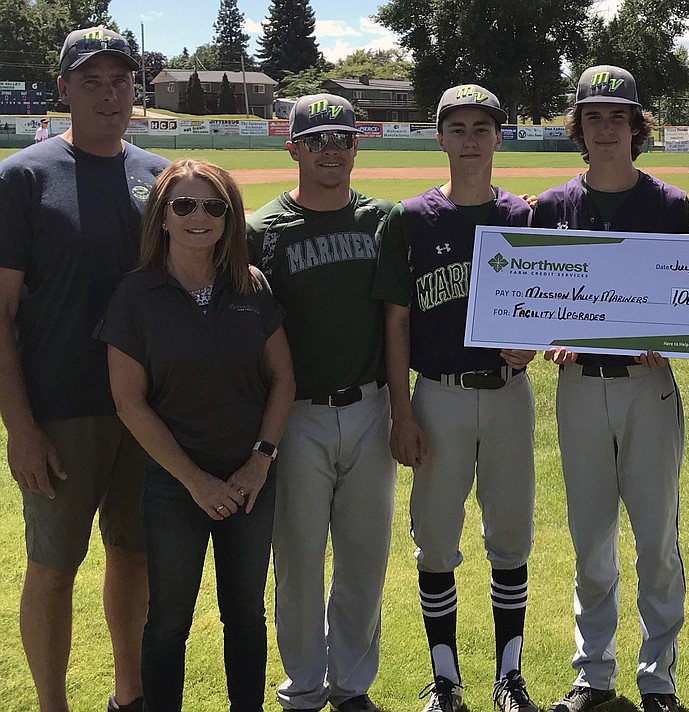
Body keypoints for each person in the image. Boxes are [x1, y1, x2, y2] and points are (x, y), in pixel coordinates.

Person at [0, 26, 169, 712]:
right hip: (60, 410)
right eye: (91, 81)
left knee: (134, 557)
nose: (109, 94)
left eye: (121, 81)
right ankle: (51, 705)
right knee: (52, 567)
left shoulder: (160, 177)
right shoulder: (23, 176)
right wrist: (20, 427)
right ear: (62, 89)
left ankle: (129, 696)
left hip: (149, 412)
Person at [97, 159, 295, 710]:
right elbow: (128, 402)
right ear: (161, 216)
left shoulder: (250, 284)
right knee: (167, 621)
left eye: (214, 206)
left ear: (230, 219)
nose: (199, 217)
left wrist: (259, 462)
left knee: (246, 616)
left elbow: (283, 379)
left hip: (250, 480)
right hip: (174, 486)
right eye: (183, 204)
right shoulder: (135, 294)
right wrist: (195, 481)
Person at [373, 83, 539, 712]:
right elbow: (395, 323)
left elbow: (553, 301)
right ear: (439, 137)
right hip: (437, 394)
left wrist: (534, 342)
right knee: (436, 537)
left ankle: (509, 677)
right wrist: (401, 410)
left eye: (482, 128)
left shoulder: (525, 217)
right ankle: (445, 680)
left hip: (507, 396)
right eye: (458, 128)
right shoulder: (411, 219)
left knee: (511, 534)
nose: (470, 140)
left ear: (499, 137)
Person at [535, 64, 689, 712]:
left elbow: (688, 304)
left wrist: (673, 335)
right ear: (579, 127)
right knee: (591, 536)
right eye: (593, 116)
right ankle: (593, 675)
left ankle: (657, 679)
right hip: (580, 388)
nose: (606, 127)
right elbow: (537, 306)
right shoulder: (552, 207)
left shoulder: (670, 205)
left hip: (647, 387)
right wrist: (549, 340)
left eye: (617, 115)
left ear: (636, 125)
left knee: (656, 540)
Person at [247, 93, 395, 712]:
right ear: (293, 148)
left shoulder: (383, 220)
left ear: (356, 146)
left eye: (341, 138)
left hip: (371, 405)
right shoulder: (261, 231)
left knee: (363, 554)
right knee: (300, 558)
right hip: (297, 413)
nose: (330, 150)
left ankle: (351, 684)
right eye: (316, 140)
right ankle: (304, 683)